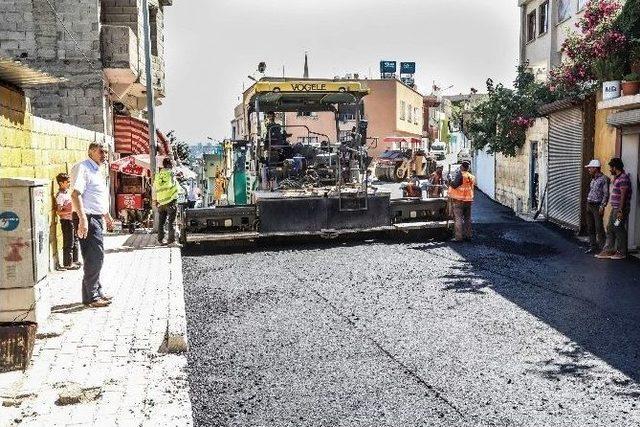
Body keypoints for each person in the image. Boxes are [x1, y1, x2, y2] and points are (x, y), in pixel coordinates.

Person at [71, 142, 114, 308]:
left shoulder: (96, 170)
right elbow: (75, 194)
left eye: (105, 153)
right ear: (91, 152)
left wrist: (107, 216)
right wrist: (82, 219)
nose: (104, 156)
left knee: (95, 256)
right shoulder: (82, 167)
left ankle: (94, 291)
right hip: (86, 218)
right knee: (95, 256)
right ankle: (92, 297)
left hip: (95, 217)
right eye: (101, 152)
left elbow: (97, 197)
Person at [596, 158, 632, 260]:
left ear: (615, 167)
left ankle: (621, 252)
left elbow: (623, 196)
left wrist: (621, 210)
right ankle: (609, 250)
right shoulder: (618, 177)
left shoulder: (623, 178)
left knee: (618, 227)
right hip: (615, 209)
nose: (610, 170)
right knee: (610, 227)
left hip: (620, 210)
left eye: (611, 168)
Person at [55, 173, 80, 270]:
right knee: (68, 243)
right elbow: (59, 212)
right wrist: (71, 210)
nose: (69, 183)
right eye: (67, 182)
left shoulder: (67, 193)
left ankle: (74, 260)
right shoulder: (60, 196)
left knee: (75, 241)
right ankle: (67, 264)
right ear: (61, 183)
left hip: (72, 220)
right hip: (66, 221)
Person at [584, 159, 609, 254]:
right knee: (590, 227)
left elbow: (606, 194)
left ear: (595, 168)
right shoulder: (593, 179)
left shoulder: (604, 179)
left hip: (597, 206)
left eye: (590, 168)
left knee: (599, 227)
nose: (589, 169)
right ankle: (593, 246)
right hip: (589, 204)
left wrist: (603, 206)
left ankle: (603, 248)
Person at [153, 157, 180, 245]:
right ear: (169, 165)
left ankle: (160, 240)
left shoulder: (158, 175)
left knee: (161, 222)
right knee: (171, 222)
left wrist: (155, 200)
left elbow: (154, 188)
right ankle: (171, 241)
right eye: (171, 164)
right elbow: (176, 185)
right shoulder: (171, 173)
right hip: (171, 201)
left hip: (161, 202)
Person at [448, 161, 475, 242]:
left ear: (462, 167)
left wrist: (449, 179)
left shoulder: (460, 175)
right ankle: (468, 236)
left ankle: (458, 238)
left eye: (461, 166)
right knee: (467, 219)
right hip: (468, 201)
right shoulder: (471, 176)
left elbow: (454, 185)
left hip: (458, 201)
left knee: (458, 219)